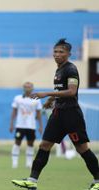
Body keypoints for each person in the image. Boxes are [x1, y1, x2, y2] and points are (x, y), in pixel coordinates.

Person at [11, 39, 99, 190]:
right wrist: (52, 99)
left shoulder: (71, 69)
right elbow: (61, 89)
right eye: (55, 51)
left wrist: (46, 93)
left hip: (71, 115)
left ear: (68, 54)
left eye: (61, 52)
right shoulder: (59, 70)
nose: (57, 54)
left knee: (82, 149)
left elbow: (72, 92)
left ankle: (98, 180)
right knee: (44, 145)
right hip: (58, 113)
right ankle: (32, 180)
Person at [9, 82, 43, 169]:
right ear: (23, 88)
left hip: (31, 126)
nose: (27, 89)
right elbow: (14, 112)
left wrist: (40, 126)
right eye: (26, 87)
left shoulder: (36, 99)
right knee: (17, 142)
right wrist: (11, 124)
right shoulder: (18, 98)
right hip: (20, 125)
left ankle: (29, 163)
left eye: (29, 87)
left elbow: (39, 113)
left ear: (32, 88)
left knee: (30, 144)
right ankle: (14, 163)